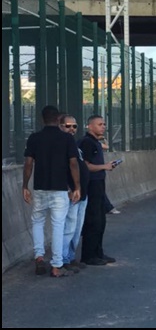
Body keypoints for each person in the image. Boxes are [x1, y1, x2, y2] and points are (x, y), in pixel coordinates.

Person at [22, 105, 80, 277]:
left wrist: (25, 186)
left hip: (40, 188)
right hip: (60, 189)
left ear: (42, 119)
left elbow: (28, 164)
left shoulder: (34, 138)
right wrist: (77, 186)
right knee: (58, 225)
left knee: (37, 222)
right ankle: (56, 265)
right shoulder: (66, 139)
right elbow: (73, 163)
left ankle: (39, 257)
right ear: (58, 120)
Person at [80, 114, 116, 266]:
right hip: (91, 185)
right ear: (90, 126)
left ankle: (98, 252)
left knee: (101, 220)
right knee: (93, 220)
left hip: (99, 183)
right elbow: (85, 165)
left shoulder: (96, 143)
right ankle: (88, 255)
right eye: (100, 124)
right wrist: (104, 167)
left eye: (104, 124)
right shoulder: (87, 142)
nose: (103, 127)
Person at [59, 114, 88, 273]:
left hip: (82, 193)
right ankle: (62, 259)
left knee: (77, 228)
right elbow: (61, 169)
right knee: (69, 227)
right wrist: (69, 189)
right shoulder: (61, 145)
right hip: (72, 194)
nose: (71, 129)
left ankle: (70, 257)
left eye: (74, 126)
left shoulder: (75, 146)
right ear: (60, 126)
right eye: (67, 126)